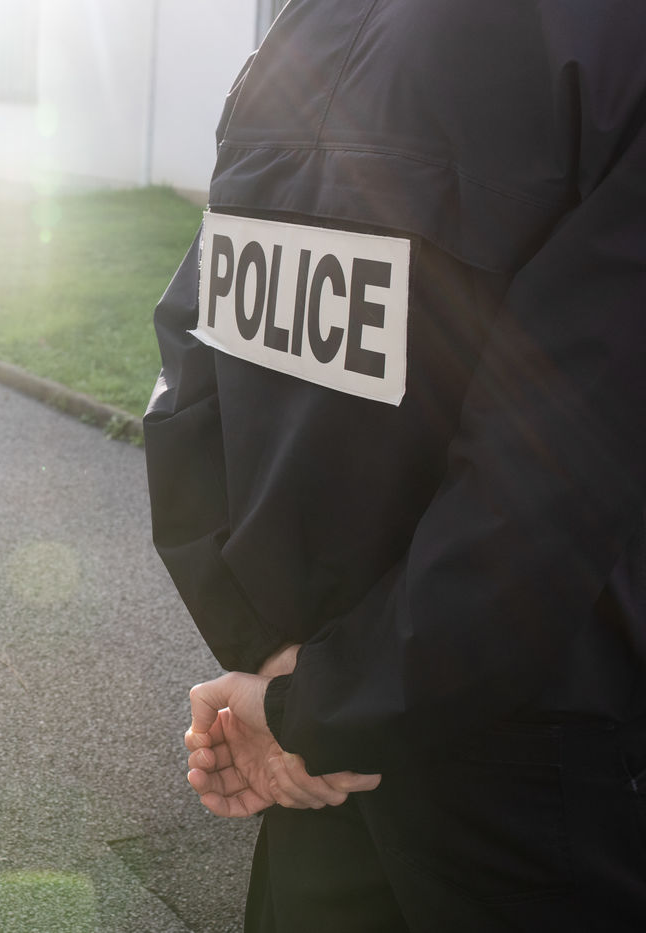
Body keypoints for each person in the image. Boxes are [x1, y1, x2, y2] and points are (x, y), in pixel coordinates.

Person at [142, 1, 646, 930]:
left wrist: (284, 679)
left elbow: (188, 381)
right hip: (521, 773)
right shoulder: (610, 42)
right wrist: (317, 699)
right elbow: (554, 472)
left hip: (317, 745)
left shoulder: (298, 32)